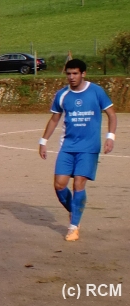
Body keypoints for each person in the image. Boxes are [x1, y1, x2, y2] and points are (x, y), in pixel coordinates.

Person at [38, 59, 117, 242]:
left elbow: (111, 114)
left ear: (83, 74)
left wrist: (110, 137)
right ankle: (75, 212)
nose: (71, 77)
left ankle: (73, 226)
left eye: (75, 73)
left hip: (89, 147)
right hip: (68, 146)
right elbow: (54, 119)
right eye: (68, 74)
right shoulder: (62, 95)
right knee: (59, 185)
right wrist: (43, 141)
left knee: (79, 183)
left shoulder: (96, 91)